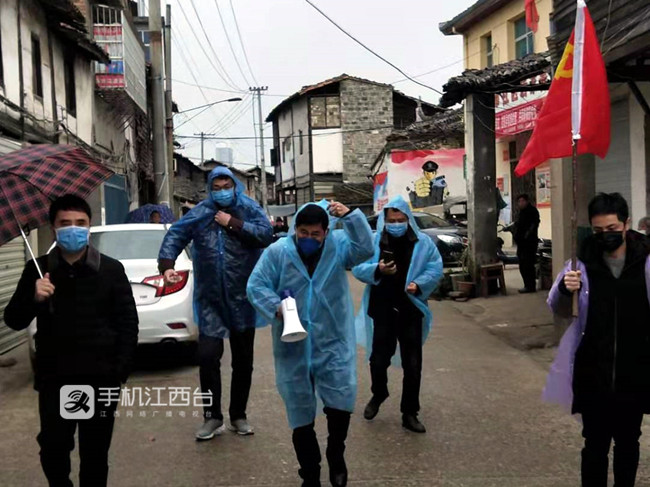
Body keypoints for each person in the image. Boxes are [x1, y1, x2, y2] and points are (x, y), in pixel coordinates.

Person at [4, 195, 139, 487]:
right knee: (54, 450)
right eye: (65, 224)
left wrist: (119, 372)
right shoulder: (38, 271)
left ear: (90, 227)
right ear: (53, 228)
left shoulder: (111, 270)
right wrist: (34, 297)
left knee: (95, 454)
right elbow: (13, 319)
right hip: (56, 379)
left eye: (81, 223)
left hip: (100, 378)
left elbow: (128, 323)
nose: (73, 229)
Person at [246, 201, 374, 487]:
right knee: (299, 408)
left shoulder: (339, 247)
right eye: (303, 232)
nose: (308, 238)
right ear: (295, 229)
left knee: (341, 399)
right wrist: (275, 306)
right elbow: (256, 285)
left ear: (326, 232)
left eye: (315, 234)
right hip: (293, 343)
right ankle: (310, 472)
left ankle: (336, 453)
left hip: (333, 338)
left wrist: (352, 218)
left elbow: (365, 250)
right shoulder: (277, 252)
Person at [158, 166, 272, 440]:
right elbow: (176, 234)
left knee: (243, 361)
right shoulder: (200, 213)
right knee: (208, 358)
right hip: (210, 299)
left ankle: (238, 415)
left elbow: (266, 234)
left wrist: (232, 223)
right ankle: (212, 417)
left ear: (235, 186)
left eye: (226, 186)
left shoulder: (249, 208)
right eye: (217, 187)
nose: (222, 192)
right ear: (210, 188)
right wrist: (166, 264)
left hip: (243, 297)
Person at [544, 193, 650, 487]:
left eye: (613, 229)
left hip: (635, 369)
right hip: (593, 370)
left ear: (626, 224)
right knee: (595, 445)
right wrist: (566, 289)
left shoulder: (646, 261)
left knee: (629, 442)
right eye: (599, 231)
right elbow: (557, 307)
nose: (606, 236)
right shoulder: (580, 263)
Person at [353, 196, 443, 433]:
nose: (396, 224)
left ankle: (410, 412)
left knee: (413, 364)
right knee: (378, 359)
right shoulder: (375, 241)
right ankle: (379, 393)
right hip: (382, 308)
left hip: (410, 309)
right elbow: (358, 267)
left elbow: (435, 266)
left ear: (408, 219)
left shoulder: (422, 243)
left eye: (400, 219)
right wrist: (378, 269)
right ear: (385, 220)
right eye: (392, 220)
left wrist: (419, 284)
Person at [514, 194, 540, 293]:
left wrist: (526, 236)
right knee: (522, 265)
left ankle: (530, 286)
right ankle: (526, 284)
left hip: (529, 243)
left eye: (522, 201)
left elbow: (534, 225)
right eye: (519, 201)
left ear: (527, 201)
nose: (521, 203)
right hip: (521, 244)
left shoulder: (532, 211)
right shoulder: (521, 212)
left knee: (528, 265)